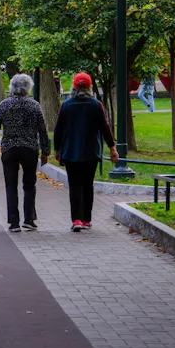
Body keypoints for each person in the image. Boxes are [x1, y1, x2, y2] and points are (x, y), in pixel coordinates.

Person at [54, 72, 118, 232]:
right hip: (91, 152)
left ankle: (76, 219)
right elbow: (105, 128)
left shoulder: (66, 105)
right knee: (88, 185)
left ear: (74, 87)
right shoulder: (96, 105)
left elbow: (58, 129)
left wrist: (57, 149)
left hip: (71, 151)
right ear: (89, 87)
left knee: (75, 185)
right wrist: (112, 148)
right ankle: (86, 219)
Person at [0, 73, 50, 231]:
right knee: (29, 185)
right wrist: (45, 151)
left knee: (11, 185)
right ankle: (29, 219)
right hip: (30, 148)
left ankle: (14, 222)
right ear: (29, 87)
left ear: (12, 87)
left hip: (9, 148)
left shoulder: (4, 105)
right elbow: (43, 129)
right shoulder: (34, 105)